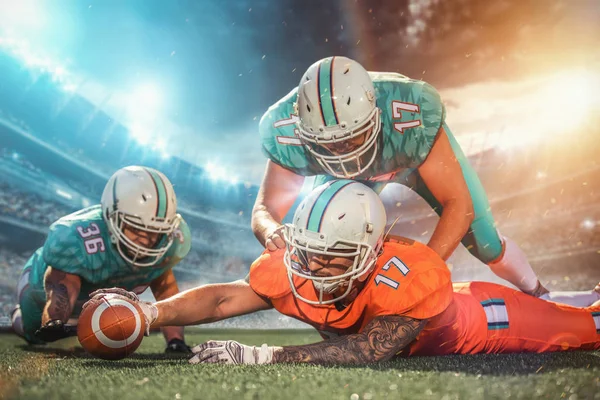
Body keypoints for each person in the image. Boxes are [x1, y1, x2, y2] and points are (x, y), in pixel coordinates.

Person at [90, 181, 600, 365]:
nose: (310, 267)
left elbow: (366, 350)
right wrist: (148, 312)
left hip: (480, 322)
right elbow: (224, 299)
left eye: (328, 255)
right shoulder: (298, 265)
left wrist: (264, 355)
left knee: (586, 329)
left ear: (369, 251)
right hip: (438, 308)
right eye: (305, 250)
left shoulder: (407, 274)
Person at [251, 56, 597, 307]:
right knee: (329, 240)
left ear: (376, 114)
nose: (341, 152)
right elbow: (266, 209)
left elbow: (457, 204)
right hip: (353, 179)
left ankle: (539, 293)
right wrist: (271, 231)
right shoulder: (284, 130)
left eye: (351, 139)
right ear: (302, 129)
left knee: (486, 242)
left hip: (414, 160)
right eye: (329, 143)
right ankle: (344, 308)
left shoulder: (409, 113)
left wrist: (420, 271)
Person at [11, 166, 193, 353]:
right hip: (38, 288)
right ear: (110, 216)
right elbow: (64, 288)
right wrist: (54, 321)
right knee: (35, 335)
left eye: (156, 232)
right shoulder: (76, 236)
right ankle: (18, 317)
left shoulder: (171, 242)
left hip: (92, 300)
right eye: (136, 228)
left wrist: (175, 341)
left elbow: (167, 292)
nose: (146, 241)